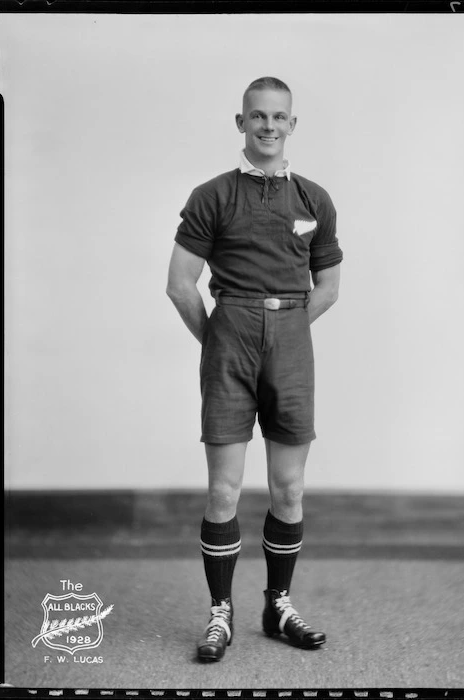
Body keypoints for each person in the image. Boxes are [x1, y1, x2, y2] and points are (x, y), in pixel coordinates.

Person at [166, 76, 342, 662]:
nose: (268, 126)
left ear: (293, 124)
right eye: (257, 116)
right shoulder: (212, 194)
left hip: (290, 337)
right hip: (230, 337)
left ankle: (278, 604)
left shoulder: (314, 198)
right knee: (224, 488)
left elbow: (329, 285)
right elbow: (180, 283)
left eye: (279, 117)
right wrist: (218, 337)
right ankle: (221, 612)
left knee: (289, 486)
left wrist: (285, 329)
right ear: (240, 123)